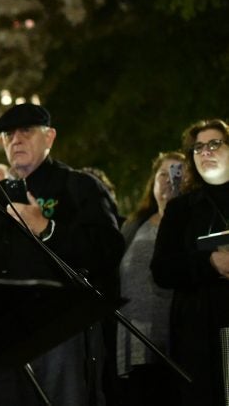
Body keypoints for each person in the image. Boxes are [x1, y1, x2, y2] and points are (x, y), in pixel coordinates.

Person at [0, 103, 124, 406]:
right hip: (6, 333)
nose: (16, 140)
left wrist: (47, 228)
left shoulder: (78, 185)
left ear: (49, 138)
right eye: (8, 135)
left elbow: (107, 249)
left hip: (61, 330)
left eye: (26, 131)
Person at [151, 119, 229, 406]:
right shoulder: (181, 209)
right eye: (197, 148)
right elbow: (161, 269)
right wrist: (210, 262)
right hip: (200, 334)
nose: (205, 152)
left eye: (214, 144)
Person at [116, 152, 185, 406]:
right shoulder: (134, 224)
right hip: (133, 341)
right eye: (162, 174)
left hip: (171, 344)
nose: (168, 181)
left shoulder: (188, 224)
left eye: (177, 173)